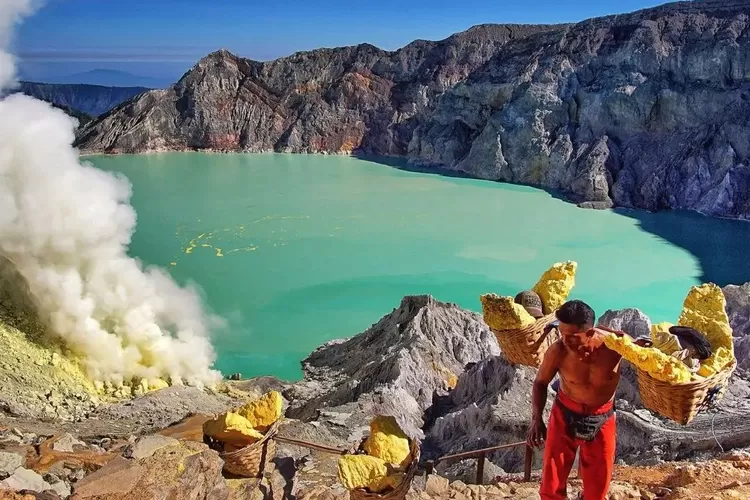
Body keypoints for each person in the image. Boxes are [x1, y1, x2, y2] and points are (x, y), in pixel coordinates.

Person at [526, 300, 650, 500]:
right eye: (562, 333)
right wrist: (536, 418)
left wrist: (644, 348)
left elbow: (644, 354)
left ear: (591, 332)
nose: (565, 340)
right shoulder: (558, 351)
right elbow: (540, 383)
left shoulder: (615, 346)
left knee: (598, 487)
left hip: (603, 417)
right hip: (564, 414)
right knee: (551, 484)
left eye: (572, 337)